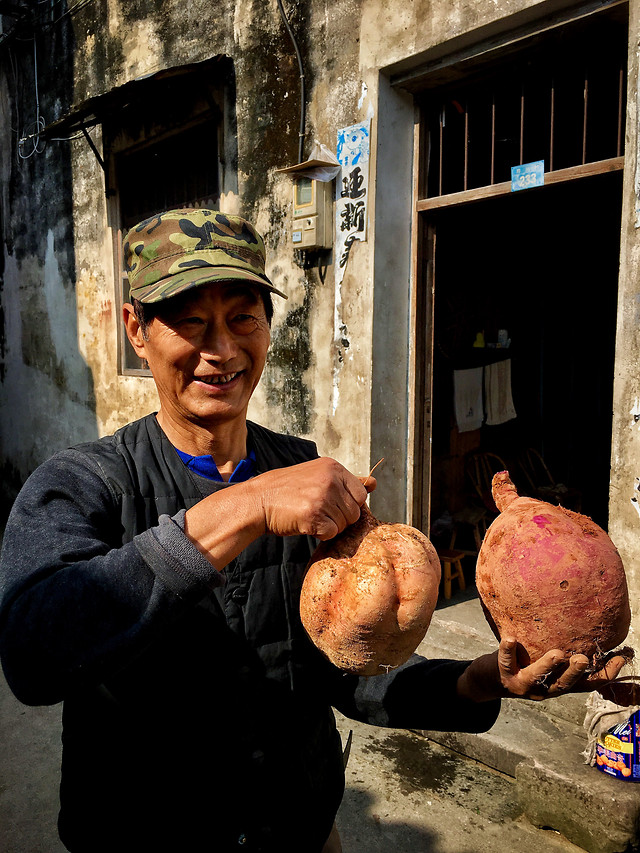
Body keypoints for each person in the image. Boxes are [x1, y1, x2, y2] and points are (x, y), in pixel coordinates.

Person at [0, 209, 628, 853]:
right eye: (190, 321)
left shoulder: (300, 470)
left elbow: (345, 669)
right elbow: (31, 656)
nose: (222, 350)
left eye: (243, 317)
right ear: (136, 329)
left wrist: (475, 681)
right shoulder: (82, 485)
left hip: (298, 831)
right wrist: (245, 506)